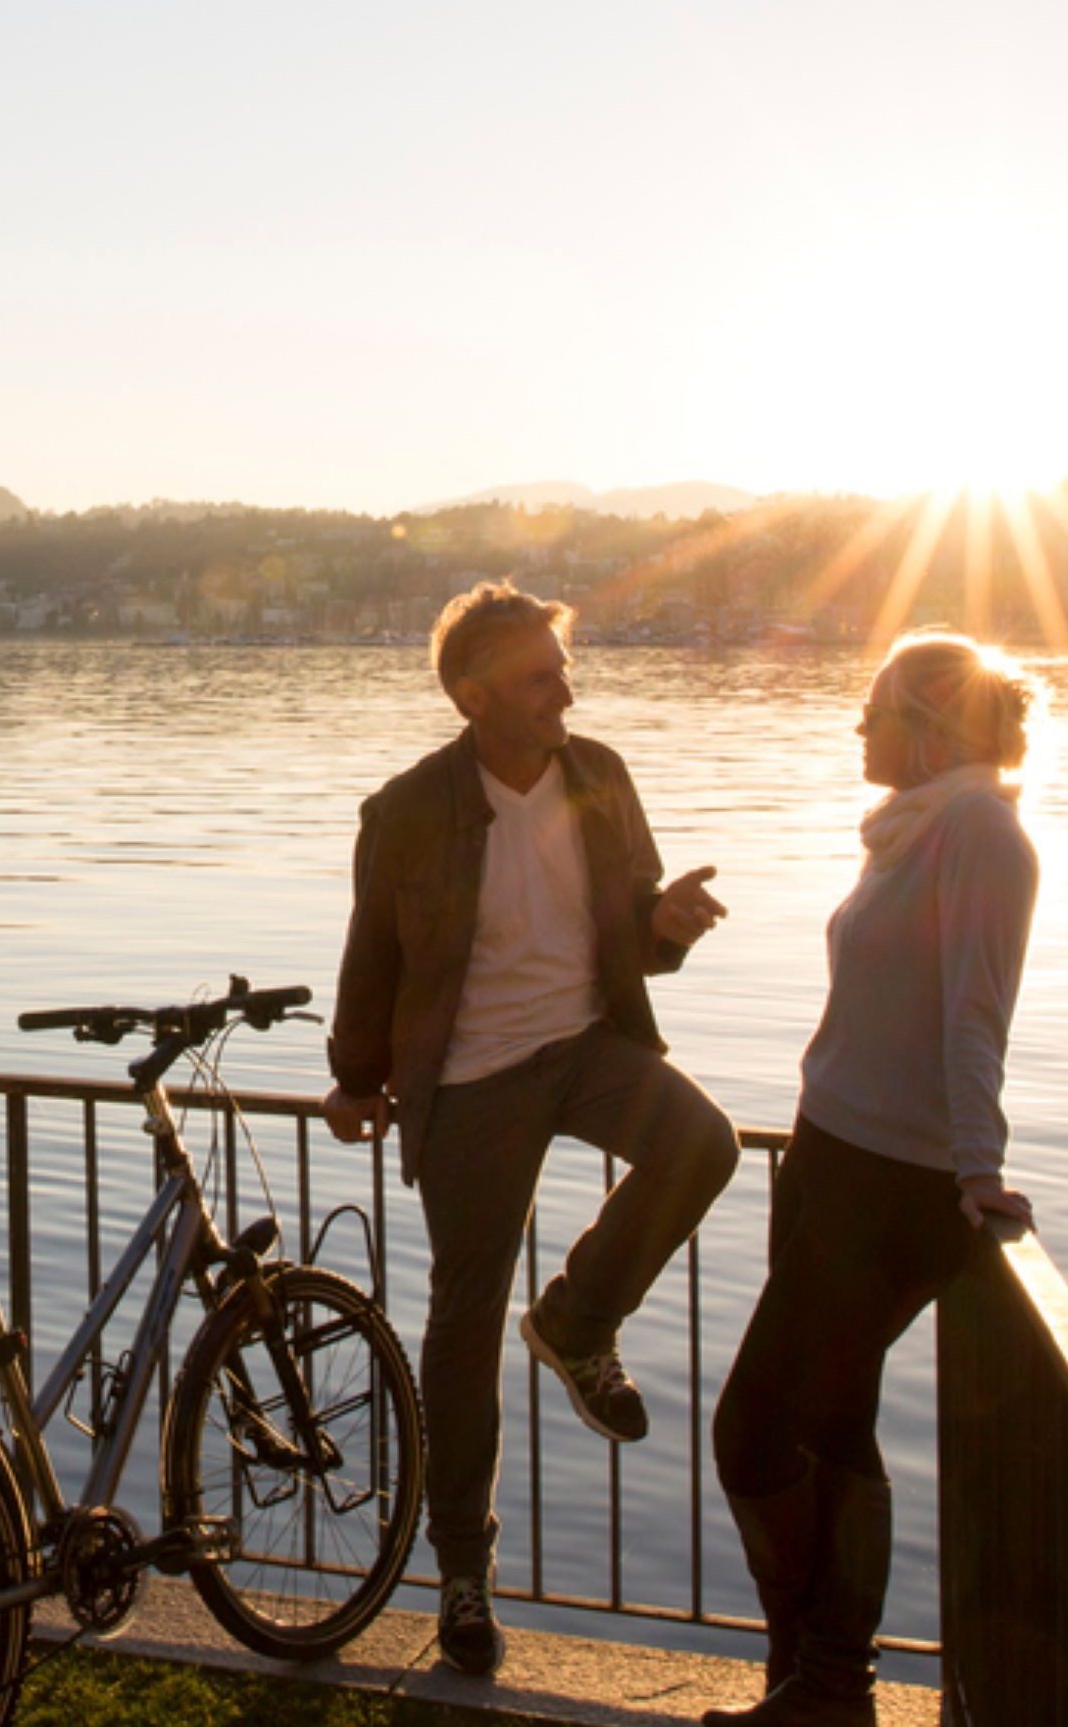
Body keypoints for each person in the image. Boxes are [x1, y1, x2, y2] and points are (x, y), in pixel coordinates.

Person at [325, 581, 743, 1678]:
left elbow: (634, 932)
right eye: (540, 677)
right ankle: (463, 1570)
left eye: (562, 671)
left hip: (590, 1047)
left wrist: (665, 924)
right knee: (464, 1326)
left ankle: (575, 1318)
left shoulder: (599, 774)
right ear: (475, 696)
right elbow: (371, 958)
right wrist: (356, 1079)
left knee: (705, 1144)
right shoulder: (407, 810)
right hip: (470, 1083)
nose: (567, 690)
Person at [701, 632, 1043, 1726]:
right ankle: (815, 1691)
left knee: (750, 1430)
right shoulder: (906, 830)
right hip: (827, 1152)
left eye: (874, 710)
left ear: (928, 722)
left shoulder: (982, 832)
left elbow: (974, 1011)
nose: (857, 728)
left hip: (898, 1179)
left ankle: (826, 1681)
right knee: (829, 1425)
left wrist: (978, 1167)